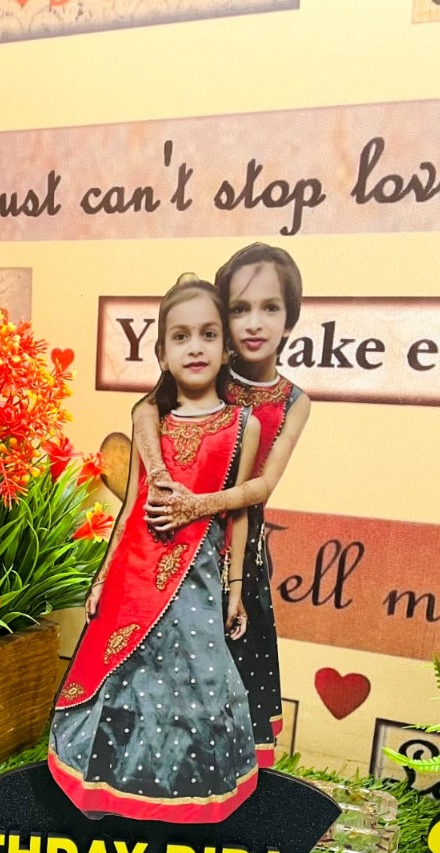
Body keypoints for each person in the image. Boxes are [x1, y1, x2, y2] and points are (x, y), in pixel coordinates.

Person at [48, 274, 261, 823]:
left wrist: (235, 589)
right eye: (181, 337)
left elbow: (239, 512)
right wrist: (101, 578)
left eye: (208, 335)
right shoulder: (151, 419)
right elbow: (130, 506)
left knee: (197, 682)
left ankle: (183, 799)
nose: (196, 348)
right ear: (162, 353)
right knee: (127, 681)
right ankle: (114, 792)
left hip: (198, 575)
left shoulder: (244, 425)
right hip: (134, 575)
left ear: (227, 347)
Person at [135, 244, 311, 766]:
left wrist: (199, 504)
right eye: (239, 309)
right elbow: (146, 408)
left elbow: (262, 487)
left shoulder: (294, 401)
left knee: (234, 663)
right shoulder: (207, 367)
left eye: (270, 307)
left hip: (239, 549)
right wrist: (161, 476)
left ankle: (232, 779)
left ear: (290, 318)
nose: (254, 323)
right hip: (176, 546)